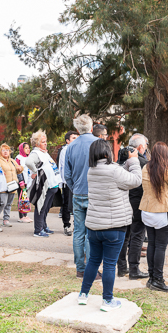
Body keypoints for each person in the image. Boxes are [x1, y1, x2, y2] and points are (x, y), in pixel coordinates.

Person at [77, 139, 142, 310]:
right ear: (107, 153)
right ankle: (107, 300)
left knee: (93, 261)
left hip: (94, 226)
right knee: (109, 264)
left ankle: (83, 294)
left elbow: (118, 177)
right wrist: (134, 160)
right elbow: (135, 180)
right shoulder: (114, 171)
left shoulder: (91, 171)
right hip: (114, 227)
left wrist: (122, 164)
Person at [140, 142, 168, 292]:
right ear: (165, 154)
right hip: (163, 211)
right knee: (160, 247)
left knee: (152, 244)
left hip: (147, 210)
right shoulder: (166, 170)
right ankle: (158, 279)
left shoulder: (145, 167)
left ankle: (152, 278)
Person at [64, 115, 100, 279]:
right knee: (91, 232)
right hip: (94, 192)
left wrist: (75, 187)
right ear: (91, 127)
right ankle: (90, 268)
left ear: (77, 129)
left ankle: (80, 268)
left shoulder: (71, 146)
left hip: (78, 192)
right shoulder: (98, 143)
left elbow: (67, 174)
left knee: (79, 232)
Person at [117, 133, 150, 279]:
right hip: (137, 201)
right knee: (137, 235)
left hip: (123, 200)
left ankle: (122, 267)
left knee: (124, 236)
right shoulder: (143, 162)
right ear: (141, 147)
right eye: (146, 146)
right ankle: (134, 269)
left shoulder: (120, 159)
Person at [26, 130, 60, 237]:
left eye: (46, 141)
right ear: (37, 144)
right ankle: (38, 230)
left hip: (52, 185)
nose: (46, 143)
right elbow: (28, 162)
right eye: (43, 142)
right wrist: (36, 172)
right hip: (44, 186)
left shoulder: (44, 152)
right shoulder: (36, 153)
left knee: (46, 208)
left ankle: (44, 226)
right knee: (41, 207)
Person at [0, 143, 23, 227]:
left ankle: (6, 219)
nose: (6, 152)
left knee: (9, 203)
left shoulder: (12, 161)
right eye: (3, 150)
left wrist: (20, 168)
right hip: (3, 185)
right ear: (0, 151)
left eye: (7, 150)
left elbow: (18, 169)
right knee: (2, 202)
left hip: (13, 185)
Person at [57, 131, 79, 236]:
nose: (76, 139)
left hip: (78, 182)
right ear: (67, 140)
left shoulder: (79, 149)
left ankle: (77, 224)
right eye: (73, 138)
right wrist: (63, 182)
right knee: (66, 204)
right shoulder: (65, 150)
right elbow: (62, 167)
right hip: (68, 182)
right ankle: (67, 225)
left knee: (78, 204)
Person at [15, 142, 33, 223]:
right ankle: (21, 216)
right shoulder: (19, 158)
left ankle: (25, 214)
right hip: (22, 182)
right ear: (22, 149)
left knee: (26, 198)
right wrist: (21, 182)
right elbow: (18, 171)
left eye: (29, 148)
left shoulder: (29, 157)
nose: (28, 150)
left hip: (28, 182)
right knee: (21, 198)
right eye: (26, 148)